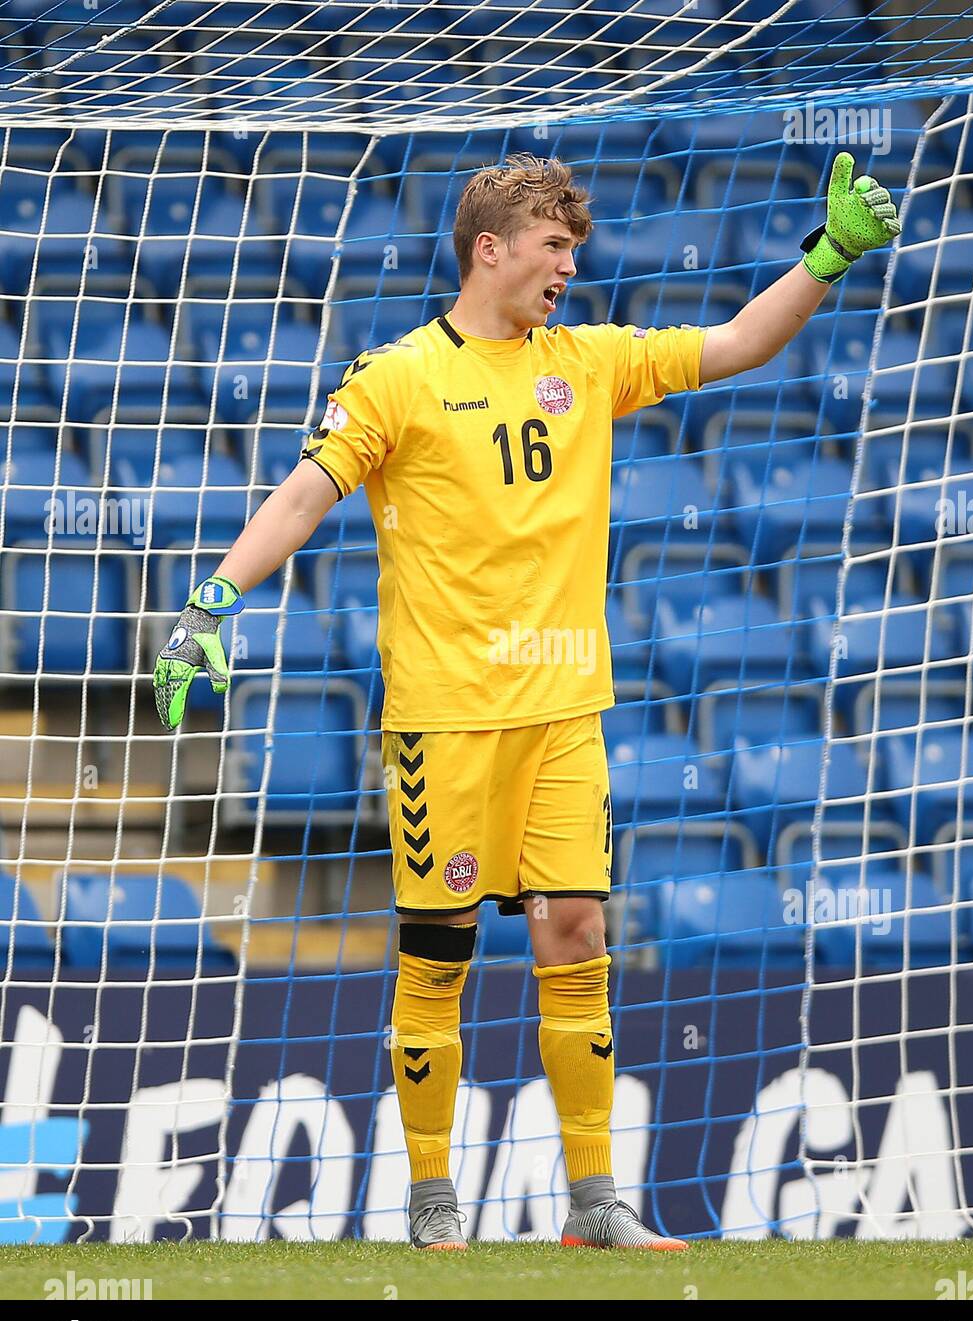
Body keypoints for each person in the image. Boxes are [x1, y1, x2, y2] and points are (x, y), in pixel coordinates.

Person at [154, 151, 899, 1249]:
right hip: (443, 719)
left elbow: (737, 345)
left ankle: (594, 1203)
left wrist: (827, 255)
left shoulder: (589, 360)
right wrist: (212, 600)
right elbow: (308, 492)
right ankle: (429, 1198)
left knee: (576, 930)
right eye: (553, 246)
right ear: (489, 249)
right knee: (439, 949)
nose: (568, 267)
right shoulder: (396, 375)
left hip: (563, 710)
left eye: (576, 249)